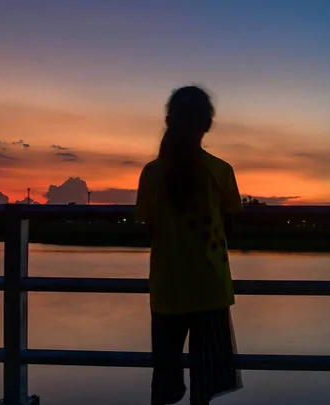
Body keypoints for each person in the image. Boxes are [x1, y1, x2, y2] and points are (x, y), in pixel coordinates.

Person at [135, 86, 244, 405]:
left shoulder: (152, 173)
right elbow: (231, 227)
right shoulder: (221, 171)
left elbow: (149, 230)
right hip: (210, 286)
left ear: (169, 121)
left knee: (164, 379)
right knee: (205, 380)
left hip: (167, 288)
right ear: (207, 124)